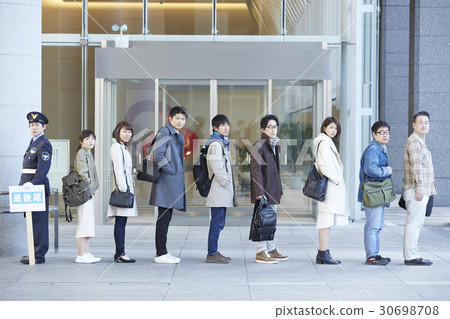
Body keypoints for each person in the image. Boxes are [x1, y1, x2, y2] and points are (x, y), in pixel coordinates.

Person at [149, 106, 188, 264]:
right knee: (163, 217)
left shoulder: (178, 135)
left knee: (166, 217)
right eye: (177, 118)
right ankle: (160, 253)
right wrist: (170, 169)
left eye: (183, 119)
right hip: (166, 181)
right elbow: (157, 154)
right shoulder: (165, 131)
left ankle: (163, 251)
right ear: (170, 119)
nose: (180, 121)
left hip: (171, 182)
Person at [250, 114, 288, 264]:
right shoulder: (258, 145)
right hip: (263, 191)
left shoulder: (273, 144)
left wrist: (280, 190)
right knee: (262, 221)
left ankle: (272, 249)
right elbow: (256, 170)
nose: (273, 129)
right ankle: (260, 251)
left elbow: (276, 171)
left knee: (272, 221)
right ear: (263, 129)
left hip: (273, 190)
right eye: (270, 127)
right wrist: (259, 192)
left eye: (275, 126)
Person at [313, 117, 349, 264]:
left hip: (330, 186)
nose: (334, 130)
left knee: (327, 221)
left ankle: (324, 252)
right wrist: (338, 179)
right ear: (324, 128)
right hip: (330, 186)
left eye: (336, 128)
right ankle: (322, 252)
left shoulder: (326, 142)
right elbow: (324, 166)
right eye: (331, 127)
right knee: (325, 220)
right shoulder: (324, 143)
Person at [402, 111, 436, 266]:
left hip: (420, 188)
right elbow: (416, 165)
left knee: (415, 222)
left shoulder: (420, 140)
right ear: (414, 125)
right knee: (414, 223)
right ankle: (411, 257)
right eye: (421, 122)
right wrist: (420, 187)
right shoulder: (415, 140)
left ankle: (411, 255)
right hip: (417, 189)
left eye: (426, 122)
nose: (424, 125)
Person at [20, 112, 52, 265]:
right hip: (28, 187)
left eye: (37, 125)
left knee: (39, 223)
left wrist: (33, 183)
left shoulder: (44, 143)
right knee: (32, 221)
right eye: (31, 125)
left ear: (44, 127)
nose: (34, 128)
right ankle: (34, 252)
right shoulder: (33, 142)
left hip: (36, 187)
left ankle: (39, 254)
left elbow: (43, 168)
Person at [358, 120, 392, 266]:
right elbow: (370, 170)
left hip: (378, 192)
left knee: (377, 225)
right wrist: (387, 170)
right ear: (374, 134)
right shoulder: (373, 149)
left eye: (387, 132)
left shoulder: (381, 148)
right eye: (381, 132)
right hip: (373, 192)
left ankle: (375, 254)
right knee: (372, 226)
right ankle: (371, 256)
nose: (385, 135)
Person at [205, 114, 237, 263]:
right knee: (216, 223)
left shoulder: (222, 143)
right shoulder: (216, 144)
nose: (226, 127)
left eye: (227, 124)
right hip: (218, 189)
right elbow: (217, 167)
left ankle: (214, 251)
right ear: (215, 128)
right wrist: (226, 183)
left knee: (219, 222)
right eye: (222, 125)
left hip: (221, 189)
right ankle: (211, 253)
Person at [107, 121, 138, 263]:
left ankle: (120, 252)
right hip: (122, 188)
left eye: (129, 132)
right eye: (124, 131)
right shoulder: (116, 147)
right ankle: (120, 252)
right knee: (120, 222)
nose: (128, 134)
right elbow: (118, 168)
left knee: (121, 221)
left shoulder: (122, 147)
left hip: (125, 186)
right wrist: (123, 188)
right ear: (118, 132)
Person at [73, 130, 101, 264]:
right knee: (83, 223)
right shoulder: (81, 154)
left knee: (88, 224)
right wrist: (89, 190)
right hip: (85, 193)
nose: (91, 141)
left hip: (89, 193)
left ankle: (86, 252)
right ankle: (80, 254)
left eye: (92, 139)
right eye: (87, 139)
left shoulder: (88, 153)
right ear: (81, 141)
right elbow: (83, 174)